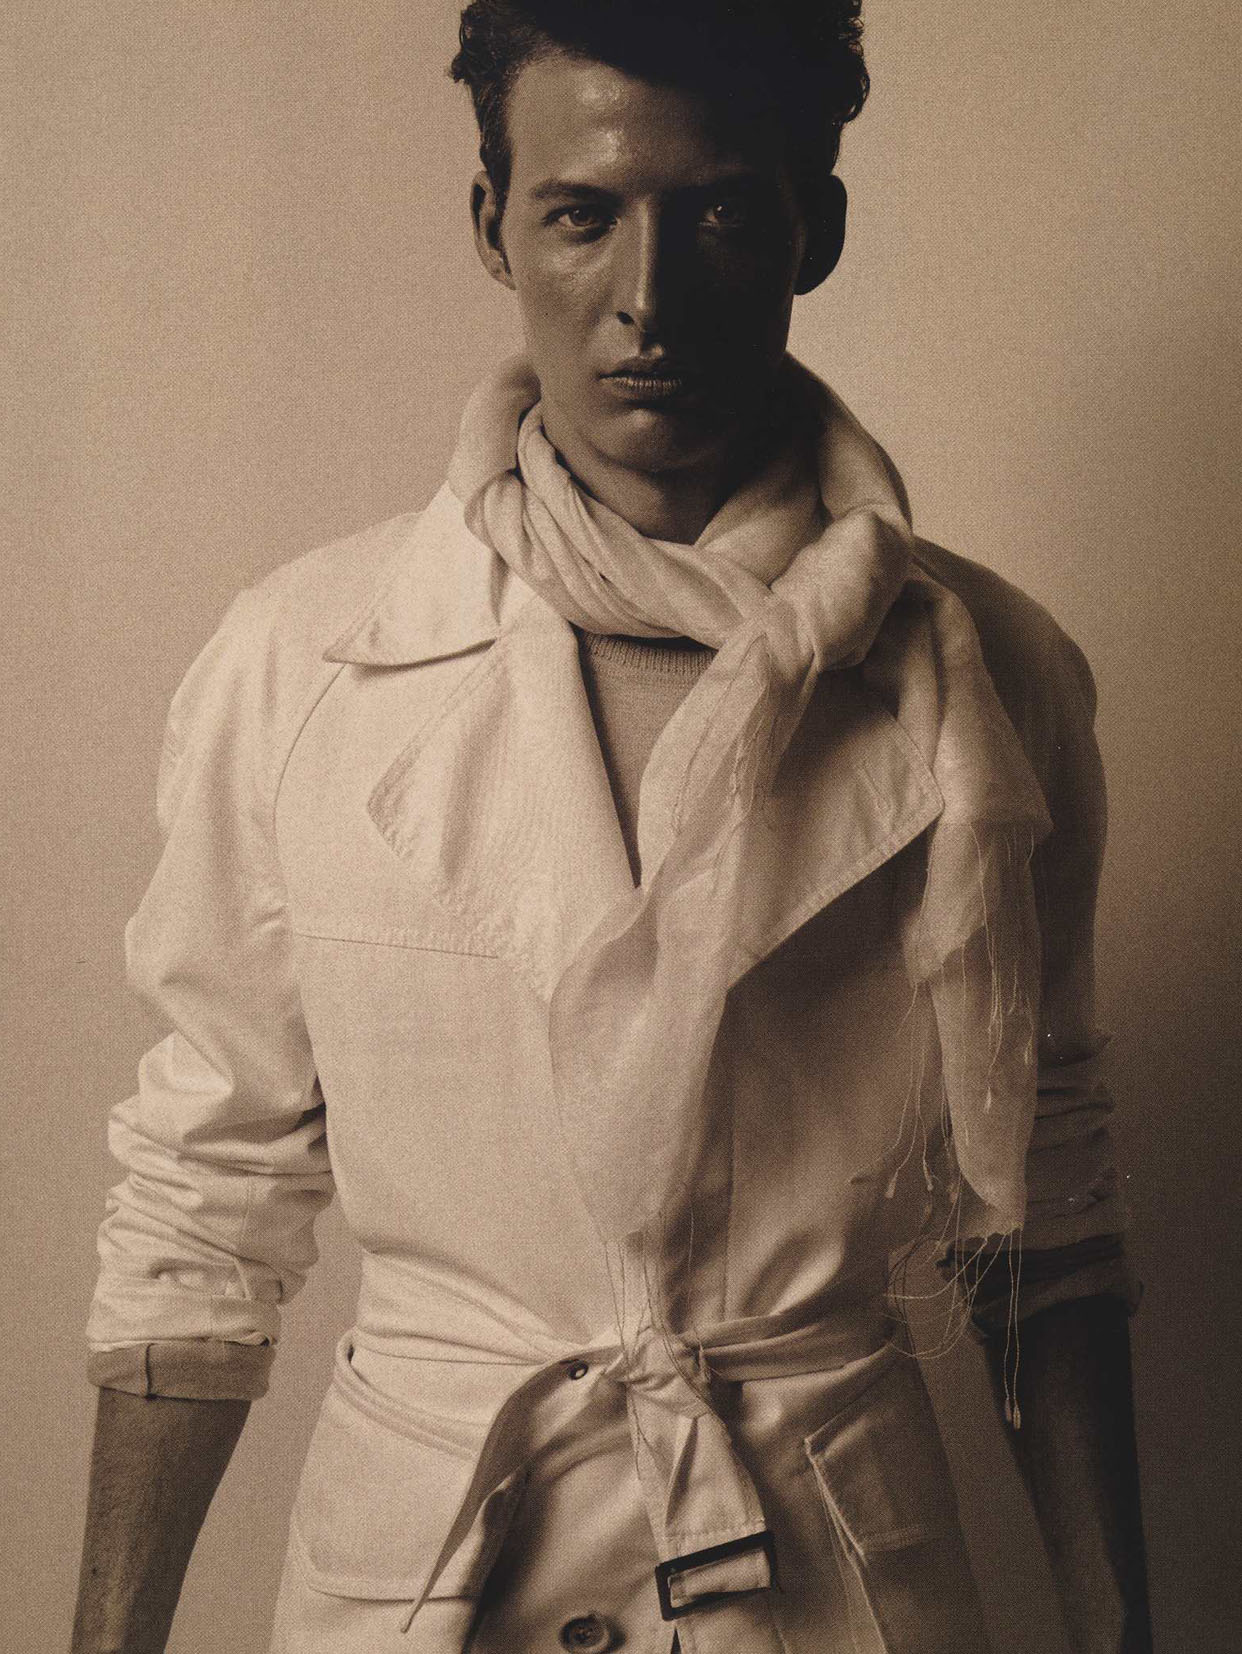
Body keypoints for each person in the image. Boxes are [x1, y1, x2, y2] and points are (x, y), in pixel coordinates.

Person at [72, 3, 1153, 1651]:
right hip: (426, 1574)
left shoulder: (992, 674)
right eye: (581, 213)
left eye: (718, 213)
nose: (649, 298)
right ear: (492, 224)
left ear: (814, 229)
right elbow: (201, 1199)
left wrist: (1119, 1628)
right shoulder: (300, 659)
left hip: (830, 1574)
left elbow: (1042, 1199)